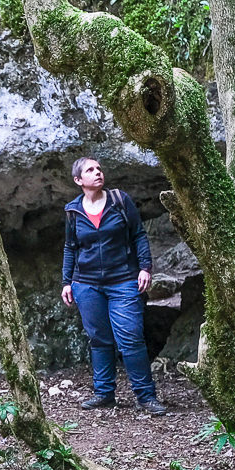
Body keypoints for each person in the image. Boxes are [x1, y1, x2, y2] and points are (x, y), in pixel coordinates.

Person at [60, 157, 167, 415]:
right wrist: (66, 282)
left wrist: (145, 267)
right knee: (99, 339)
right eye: (90, 170)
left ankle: (146, 397)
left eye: (99, 168)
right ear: (78, 180)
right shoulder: (73, 211)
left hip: (123, 280)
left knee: (130, 338)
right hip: (86, 284)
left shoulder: (120, 200)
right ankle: (104, 394)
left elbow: (138, 235)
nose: (98, 172)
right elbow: (70, 247)